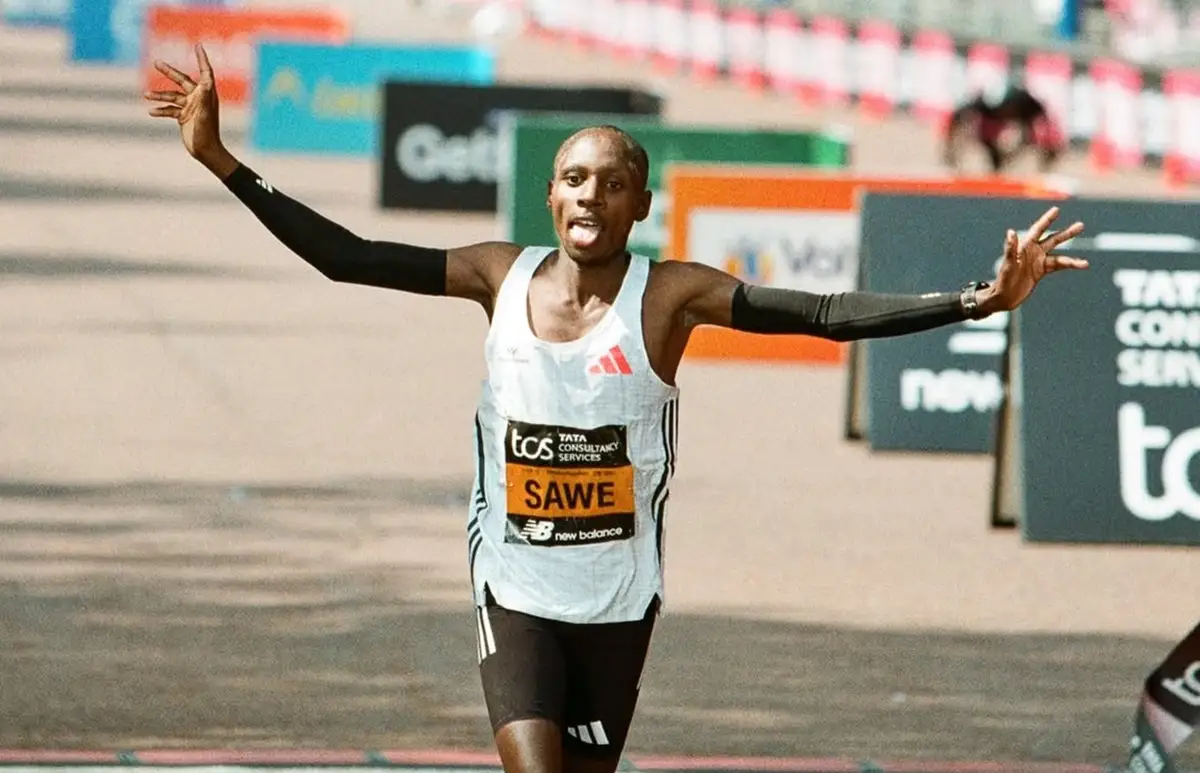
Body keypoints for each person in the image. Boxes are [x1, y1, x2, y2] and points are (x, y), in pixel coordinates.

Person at [145, 44, 1088, 773]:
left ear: (639, 205)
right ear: (550, 196)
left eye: (611, 181)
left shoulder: (670, 295)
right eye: (573, 178)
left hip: (619, 599)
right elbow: (347, 256)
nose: (588, 193)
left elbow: (825, 314)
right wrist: (222, 159)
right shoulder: (496, 275)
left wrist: (978, 299)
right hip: (513, 587)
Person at [943, 84, 1067, 175]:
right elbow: (956, 121)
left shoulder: (1028, 105)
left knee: (1035, 150)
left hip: (1026, 138)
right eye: (1000, 113)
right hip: (987, 138)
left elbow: (1048, 132)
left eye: (1008, 111)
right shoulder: (982, 107)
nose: (1004, 113)